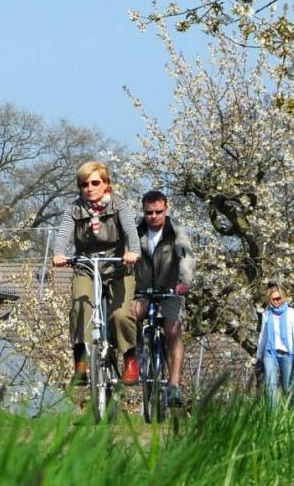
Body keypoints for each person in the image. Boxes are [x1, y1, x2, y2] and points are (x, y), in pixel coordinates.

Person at [51, 161, 139, 385]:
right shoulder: (74, 209)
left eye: (95, 182)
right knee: (81, 308)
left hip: (118, 267)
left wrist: (133, 252)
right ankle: (80, 364)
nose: (89, 188)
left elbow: (130, 231)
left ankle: (130, 357)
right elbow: (63, 234)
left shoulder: (120, 205)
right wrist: (58, 252)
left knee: (121, 314)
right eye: (84, 184)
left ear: (106, 184)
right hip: (86, 267)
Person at [129, 190, 195, 407]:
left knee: (172, 329)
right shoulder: (135, 232)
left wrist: (184, 282)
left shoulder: (176, 232)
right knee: (130, 316)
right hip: (143, 291)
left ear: (166, 209)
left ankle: (174, 385)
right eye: (149, 212)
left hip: (170, 290)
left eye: (159, 211)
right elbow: (124, 256)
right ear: (143, 211)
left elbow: (186, 257)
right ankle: (138, 355)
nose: (154, 216)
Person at [255, 286, 294, 408]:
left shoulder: (292, 313)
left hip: (287, 352)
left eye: (278, 298)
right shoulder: (267, 314)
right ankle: (272, 415)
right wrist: (259, 354)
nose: (276, 302)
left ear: (283, 297)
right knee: (270, 384)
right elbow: (263, 334)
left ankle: (290, 412)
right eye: (273, 300)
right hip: (270, 352)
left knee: (287, 385)